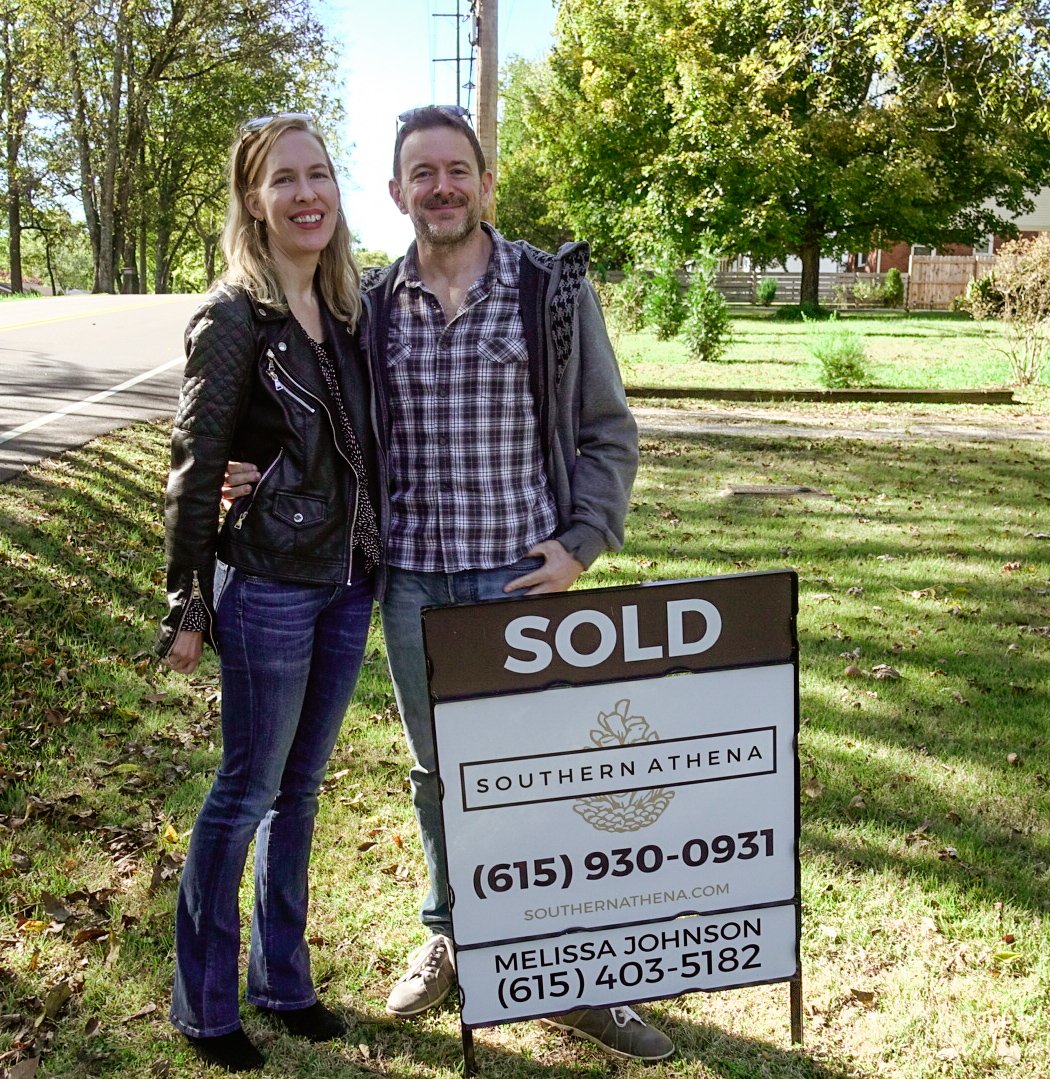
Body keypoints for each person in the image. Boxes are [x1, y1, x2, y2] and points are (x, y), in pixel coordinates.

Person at [226, 105, 672, 1062]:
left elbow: (608, 430)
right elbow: (313, 422)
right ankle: (454, 935)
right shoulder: (371, 306)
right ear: (395, 194)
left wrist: (582, 543)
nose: (441, 187)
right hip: (414, 584)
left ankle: (575, 970)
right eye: (420, 173)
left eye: (456, 170)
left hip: (525, 583)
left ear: (485, 182)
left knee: (546, 778)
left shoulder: (550, 292)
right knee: (439, 776)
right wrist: (247, 471)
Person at [155, 113, 381, 1074]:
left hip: (348, 579)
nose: (306, 194)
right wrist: (188, 599)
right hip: (271, 587)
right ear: (254, 200)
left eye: (319, 174)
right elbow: (192, 464)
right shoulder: (232, 314)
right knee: (244, 791)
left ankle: (283, 982)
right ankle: (204, 1005)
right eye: (283, 179)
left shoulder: (349, 309)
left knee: (301, 792)